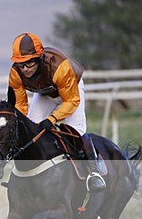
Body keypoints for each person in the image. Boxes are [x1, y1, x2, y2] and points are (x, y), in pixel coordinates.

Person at [8, 32, 106, 192]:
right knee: (32, 129)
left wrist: (52, 119)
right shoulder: (15, 73)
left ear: (38, 58)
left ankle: (94, 173)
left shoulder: (59, 66)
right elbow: (20, 106)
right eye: (20, 64)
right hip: (45, 93)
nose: (24, 69)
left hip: (71, 90)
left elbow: (71, 101)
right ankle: (31, 176)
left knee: (75, 132)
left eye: (28, 64)